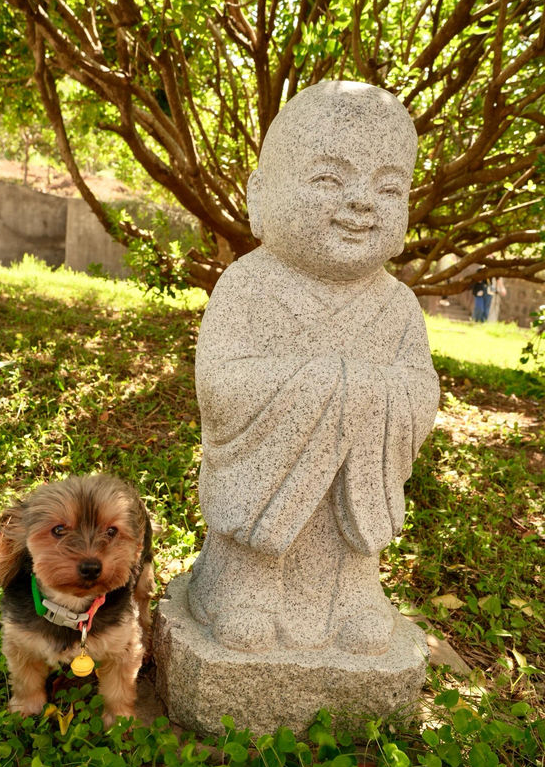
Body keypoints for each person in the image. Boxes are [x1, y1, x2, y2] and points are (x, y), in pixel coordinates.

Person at [187, 81, 439, 658]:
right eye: (329, 180)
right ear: (259, 195)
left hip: (346, 523)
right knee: (252, 574)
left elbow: (421, 392)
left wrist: (375, 396)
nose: (361, 203)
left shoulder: (397, 305)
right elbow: (220, 386)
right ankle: (242, 586)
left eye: (389, 187)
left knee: (350, 560)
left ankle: (351, 592)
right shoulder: (248, 284)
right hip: (257, 519)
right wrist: (324, 386)